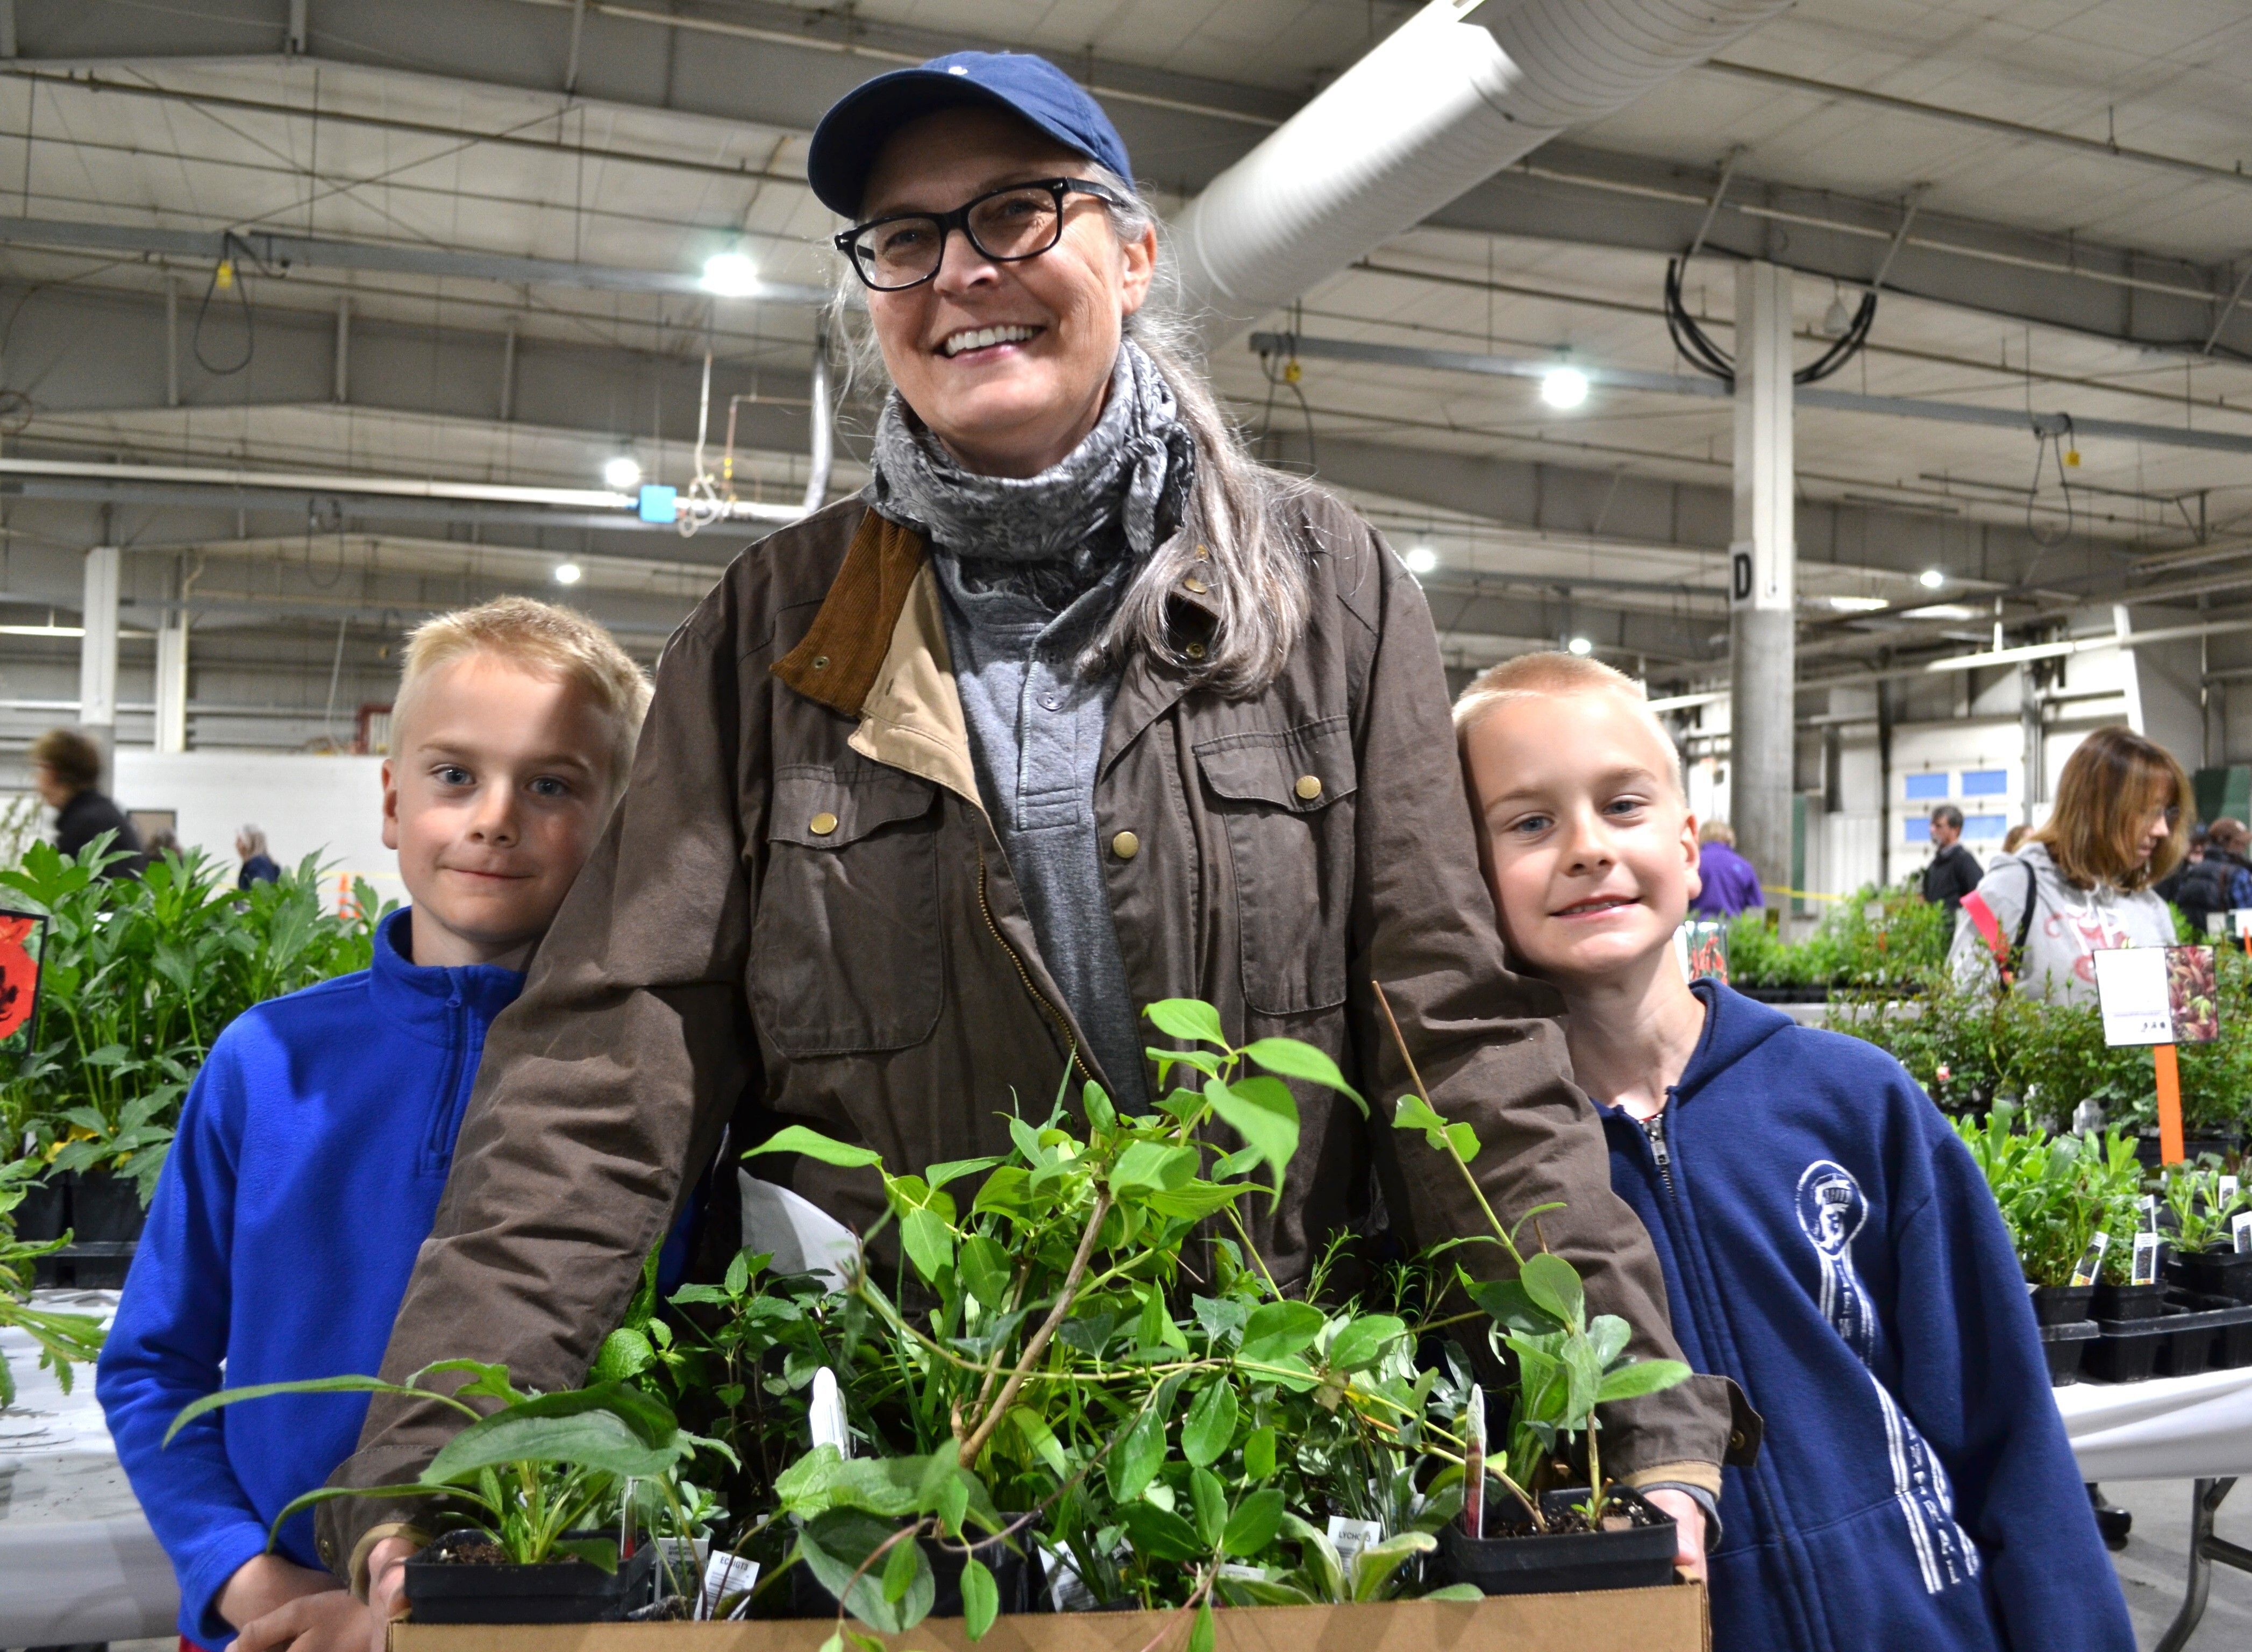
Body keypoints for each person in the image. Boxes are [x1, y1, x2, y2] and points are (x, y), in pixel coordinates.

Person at [321, 50, 1738, 1629]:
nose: (960, 272)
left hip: (1274, 1461)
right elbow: (609, 1067)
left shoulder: (1319, 591)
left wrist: (1634, 1423)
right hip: (901, 1486)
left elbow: (1451, 1037)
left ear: (1131, 255)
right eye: (905, 239)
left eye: (1016, 213)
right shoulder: (773, 636)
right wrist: (443, 1461)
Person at [1456, 651, 2133, 1652]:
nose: (1588, 847)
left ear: (1689, 847)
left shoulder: (1854, 1101)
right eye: (1528, 823)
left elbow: (2008, 1430)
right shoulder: (1489, 1170)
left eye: (1623, 805)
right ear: (1466, 881)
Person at [96, 599, 650, 1652]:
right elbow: (152, 1366)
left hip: (534, 1622)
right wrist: (247, 1579)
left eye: (551, 785)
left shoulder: (640, 1087)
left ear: (620, 823)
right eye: (455, 775)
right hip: (279, 1624)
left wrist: (424, 1614)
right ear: (394, 802)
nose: (495, 818)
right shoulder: (266, 1060)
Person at [1949, 727, 2187, 1004]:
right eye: (2147, 811)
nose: (2162, 830)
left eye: (2167, 813)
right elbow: (1960, 1013)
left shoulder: (2151, 908)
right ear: (2098, 807)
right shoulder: (2011, 889)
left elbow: (2181, 1018)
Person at [29, 726, 146, 877]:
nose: (36, 779)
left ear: (52, 772)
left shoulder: (81, 826)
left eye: (40, 769)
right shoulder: (105, 813)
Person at [2170, 815, 2252, 936]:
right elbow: (2248, 920)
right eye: (2239, 843)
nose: (2243, 848)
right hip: (2230, 943)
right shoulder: (2238, 874)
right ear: (2226, 842)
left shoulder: (2191, 871)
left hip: (2199, 943)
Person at [1687, 818, 1762, 918]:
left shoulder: (1693, 863)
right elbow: (1757, 909)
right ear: (1729, 837)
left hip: (1696, 925)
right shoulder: (1743, 866)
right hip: (1733, 925)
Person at [1920, 804, 1983, 919]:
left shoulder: (1964, 861)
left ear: (1956, 830)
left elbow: (1978, 898)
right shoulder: (1934, 865)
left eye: (1939, 826)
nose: (1932, 830)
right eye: (1932, 825)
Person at [237, 824, 282, 889]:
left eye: (239, 841)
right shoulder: (265, 862)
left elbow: (260, 889)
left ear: (249, 843)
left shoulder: (258, 864)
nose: (236, 845)